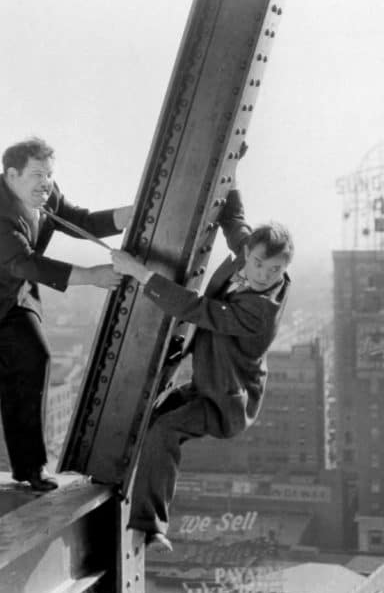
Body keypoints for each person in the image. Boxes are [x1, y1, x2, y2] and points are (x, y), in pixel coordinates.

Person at [0, 137, 133, 490]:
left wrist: (131, 215)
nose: (46, 183)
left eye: (49, 174)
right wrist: (92, 276)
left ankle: (31, 468)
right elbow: (23, 262)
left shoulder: (44, 193)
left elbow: (81, 221)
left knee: (33, 358)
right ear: (11, 175)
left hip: (6, 295)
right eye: (37, 175)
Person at [110, 189, 292, 550]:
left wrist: (139, 274)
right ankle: (130, 495)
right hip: (207, 381)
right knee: (148, 421)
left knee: (164, 431)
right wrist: (234, 167)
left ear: (285, 269)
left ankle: (150, 527)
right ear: (248, 254)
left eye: (275, 270)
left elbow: (197, 309)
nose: (262, 274)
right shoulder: (248, 250)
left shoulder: (261, 312)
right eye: (257, 263)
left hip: (227, 402)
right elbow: (235, 220)